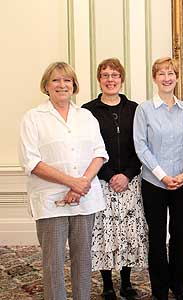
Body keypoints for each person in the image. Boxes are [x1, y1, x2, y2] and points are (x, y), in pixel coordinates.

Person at [18, 62, 108, 300]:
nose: (62, 85)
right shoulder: (33, 118)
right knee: (53, 262)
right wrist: (72, 182)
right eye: (56, 80)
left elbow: (99, 153)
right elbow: (31, 162)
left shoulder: (86, 116)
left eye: (67, 80)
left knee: (83, 258)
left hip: (84, 199)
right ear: (46, 86)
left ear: (74, 85)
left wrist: (81, 185)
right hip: (51, 201)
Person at [82, 58, 148, 300]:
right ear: (99, 80)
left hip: (130, 182)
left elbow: (141, 146)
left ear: (122, 79)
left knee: (128, 232)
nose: (110, 80)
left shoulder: (135, 109)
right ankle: (107, 284)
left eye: (115, 75)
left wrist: (127, 174)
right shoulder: (87, 111)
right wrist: (109, 176)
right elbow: (88, 149)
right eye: (105, 75)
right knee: (105, 233)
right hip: (101, 182)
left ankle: (127, 282)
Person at [133, 57, 183, 300]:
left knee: (179, 236)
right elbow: (141, 146)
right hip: (154, 183)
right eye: (161, 74)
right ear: (154, 78)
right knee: (157, 238)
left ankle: (177, 287)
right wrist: (161, 175)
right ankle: (160, 290)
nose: (167, 78)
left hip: (182, 182)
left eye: (171, 73)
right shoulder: (144, 110)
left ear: (177, 77)